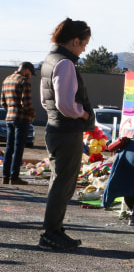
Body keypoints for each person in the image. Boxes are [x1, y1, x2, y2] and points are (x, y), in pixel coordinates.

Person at [39, 18, 95, 250]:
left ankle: (55, 230)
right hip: (66, 130)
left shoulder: (49, 60)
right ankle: (51, 233)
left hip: (55, 128)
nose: (84, 49)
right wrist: (82, 114)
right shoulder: (65, 63)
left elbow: (46, 100)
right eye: (83, 44)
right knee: (63, 183)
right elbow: (66, 104)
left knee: (59, 181)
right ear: (75, 41)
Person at [2, 62, 36, 185]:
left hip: (9, 118)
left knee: (9, 147)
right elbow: (26, 103)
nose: (30, 76)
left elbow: (3, 102)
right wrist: (32, 114)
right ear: (26, 70)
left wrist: (10, 110)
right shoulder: (24, 81)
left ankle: (5, 176)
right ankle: (14, 177)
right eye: (31, 73)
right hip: (21, 119)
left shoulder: (7, 79)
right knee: (18, 148)